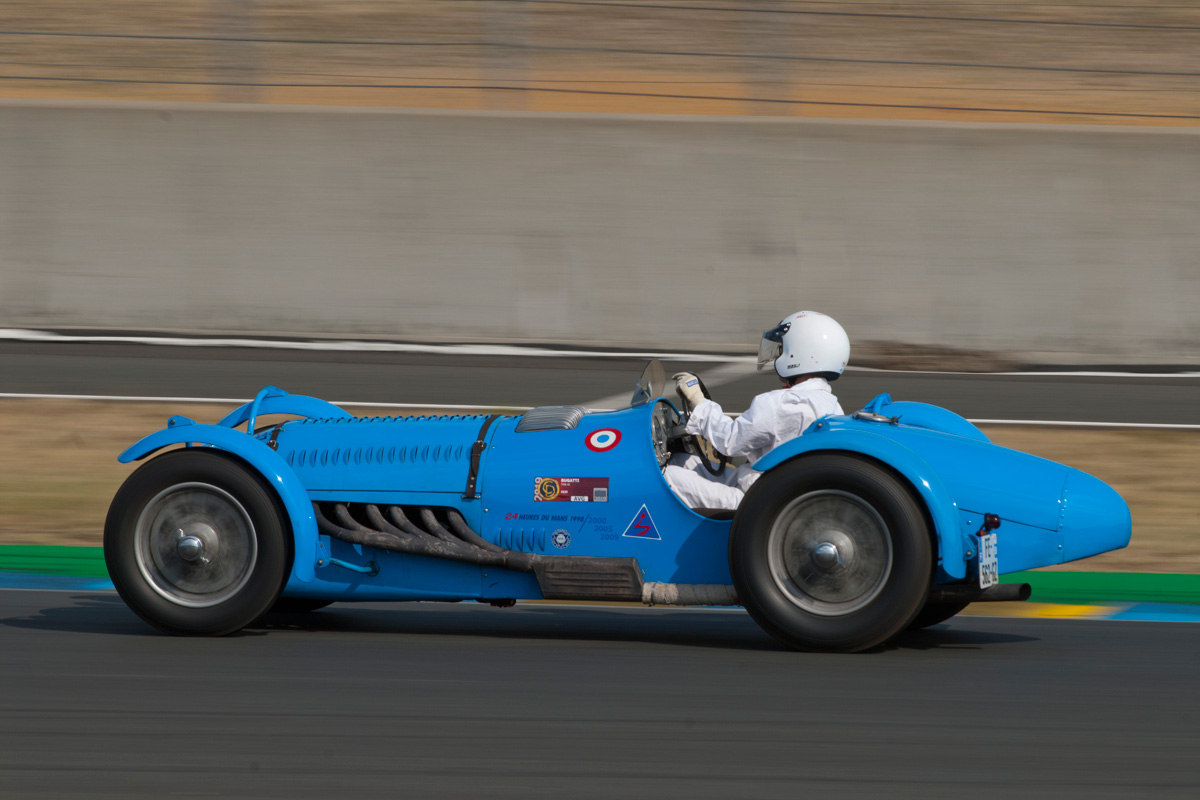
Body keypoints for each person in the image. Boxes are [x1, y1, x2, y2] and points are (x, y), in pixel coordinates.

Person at [663, 310, 847, 510]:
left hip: (757, 500)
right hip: (781, 492)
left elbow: (730, 441)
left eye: (782, 349)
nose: (778, 355)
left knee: (667, 475)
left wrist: (698, 401)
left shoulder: (782, 403)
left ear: (802, 352)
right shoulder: (833, 406)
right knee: (681, 460)